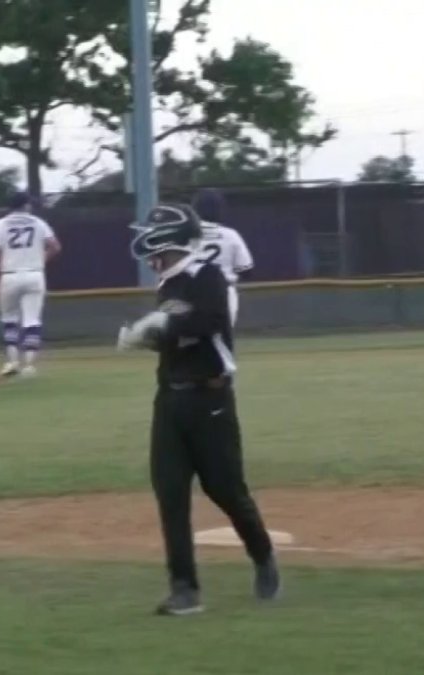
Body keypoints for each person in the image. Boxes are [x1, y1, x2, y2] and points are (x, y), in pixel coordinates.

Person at [116, 202, 280, 616]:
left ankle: (262, 554)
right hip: (170, 399)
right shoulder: (167, 284)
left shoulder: (208, 277)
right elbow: (175, 337)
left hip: (210, 400)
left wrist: (163, 326)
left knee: (225, 489)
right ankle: (184, 589)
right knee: (170, 492)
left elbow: (209, 323)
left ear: (170, 236)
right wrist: (146, 338)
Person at [0, 192, 61, 377]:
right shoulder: (38, 223)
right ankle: (29, 365)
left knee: (9, 319)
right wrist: (40, 260)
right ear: (26, 205)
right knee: (32, 320)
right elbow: (55, 246)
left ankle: (12, 362)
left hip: (9, 276)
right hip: (34, 274)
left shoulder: (1, 224)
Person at [192, 188, 254, 327]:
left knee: (190, 343)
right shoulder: (231, 235)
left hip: (190, 293)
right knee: (221, 342)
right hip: (223, 292)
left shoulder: (185, 236)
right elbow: (246, 270)